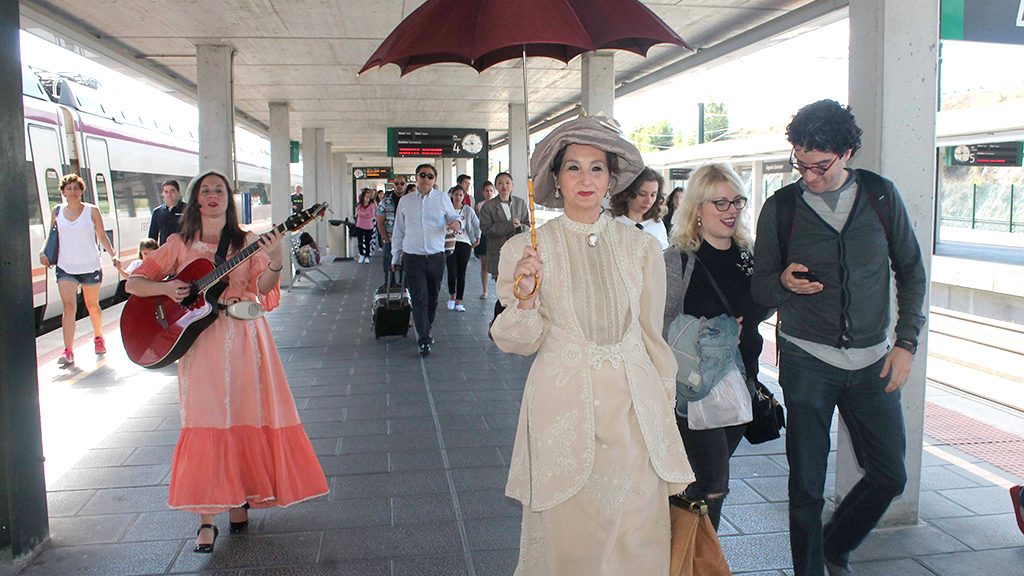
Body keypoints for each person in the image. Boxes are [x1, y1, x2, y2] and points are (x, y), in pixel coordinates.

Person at [491, 115, 693, 575]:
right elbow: (519, 341)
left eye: (597, 168)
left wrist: (664, 403)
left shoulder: (641, 248)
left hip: (634, 410)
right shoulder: (527, 249)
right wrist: (526, 294)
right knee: (572, 536)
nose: (586, 179)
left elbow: (650, 334)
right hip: (563, 410)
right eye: (574, 168)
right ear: (556, 180)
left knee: (637, 533)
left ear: (611, 178)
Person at [751, 100, 926, 576]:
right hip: (807, 359)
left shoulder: (880, 196)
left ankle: (835, 544)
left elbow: (911, 271)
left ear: (847, 153)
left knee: (889, 475)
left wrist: (906, 342)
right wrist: (782, 283)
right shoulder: (781, 208)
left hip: (873, 363)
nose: (809, 176)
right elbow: (760, 287)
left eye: (820, 166)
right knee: (806, 486)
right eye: (800, 164)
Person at [125, 170, 328, 555]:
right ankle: (206, 520)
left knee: (242, 416)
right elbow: (134, 283)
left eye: (220, 189)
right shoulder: (179, 243)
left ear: (229, 199)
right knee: (206, 421)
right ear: (196, 200)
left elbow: (263, 290)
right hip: (200, 344)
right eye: (206, 190)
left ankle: (239, 501)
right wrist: (167, 287)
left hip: (245, 340)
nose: (213, 195)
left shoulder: (247, 241)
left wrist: (275, 261)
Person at [663, 162, 772, 531]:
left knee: (700, 482)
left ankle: (679, 550)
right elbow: (658, 324)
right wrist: (711, 332)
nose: (731, 211)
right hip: (695, 388)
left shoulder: (750, 255)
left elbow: (760, 306)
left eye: (737, 201)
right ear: (697, 208)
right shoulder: (678, 259)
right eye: (720, 203)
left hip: (741, 382)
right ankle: (701, 558)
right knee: (713, 483)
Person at [39, 173, 121, 368]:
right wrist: (43, 251)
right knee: (69, 308)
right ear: (63, 192)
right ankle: (68, 351)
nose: (73, 192)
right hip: (65, 266)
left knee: (92, 305)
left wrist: (113, 255)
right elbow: (51, 235)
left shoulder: (92, 211)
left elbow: (101, 236)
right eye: (69, 188)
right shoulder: (57, 211)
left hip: (89, 265)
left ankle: (98, 337)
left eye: (76, 188)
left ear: (82, 191)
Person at [391, 164, 463, 356]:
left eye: (430, 176)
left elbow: (455, 217)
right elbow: (399, 230)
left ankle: (426, 327)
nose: (426, 179)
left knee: (432, 298)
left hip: (437, 256)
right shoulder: (406, 201)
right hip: (412, 256)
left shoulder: (442, 198)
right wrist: (396, 256)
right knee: (419, 297)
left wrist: (455, 224)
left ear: (435, 180)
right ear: (416, 177)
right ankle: (423, 338)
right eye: (422, 175)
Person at [478, 172, 529, 322]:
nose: (504, 186)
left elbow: (528, 225)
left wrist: (520, 227)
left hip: (518, 254)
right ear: (496, 186)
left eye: (507, 182)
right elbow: (486, 229)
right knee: (504, 291)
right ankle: (498, 322)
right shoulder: (488, 207)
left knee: (518, 290)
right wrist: (508, 225)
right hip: (499, 254)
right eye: (500, 183)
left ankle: (511, 322)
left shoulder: (520, 203)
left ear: (512, 185)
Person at [612, 167, 669, 250]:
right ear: (627, 193)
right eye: (642, 194)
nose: (648, 201)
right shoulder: (611, 221)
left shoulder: (657, 225)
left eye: (653, 195)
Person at [445, 185, 481, 312]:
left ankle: (459, 300)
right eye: (456, 194)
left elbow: (476, 224)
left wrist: (477, 238)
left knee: (461, 273)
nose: (458, 197)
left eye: (461, 195)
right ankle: (451, 296)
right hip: (450, 243)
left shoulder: (468, 210)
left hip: (464, 243)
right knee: (452, 272)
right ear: (452, 195)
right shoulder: (447, 209)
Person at [376, 175, 408, 276]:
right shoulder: (385, 202)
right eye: (397, 183)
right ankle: (389, 283)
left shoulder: (410, 202)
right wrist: (386, 239)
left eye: (402, 184)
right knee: (388, 267)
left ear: (405, 185)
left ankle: (404, 285)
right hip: (390, 239)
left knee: (407, 268)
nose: (399, 186)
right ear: (393, 186)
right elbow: (380, 222)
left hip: (407, 240)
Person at [474, 180, 496, 299]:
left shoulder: (498, 204)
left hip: (495, 236)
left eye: (491, 190)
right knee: (484, 265)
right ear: (483, 192)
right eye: (487, 191)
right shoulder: (479, 206)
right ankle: (485, 290)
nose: (489, 193)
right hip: (484, 236)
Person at [148, 179, 185, 246]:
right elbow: (152, 237)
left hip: (184, 250)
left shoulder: (189, 209)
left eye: (172, 191)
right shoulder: (157, 212)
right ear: (163, 194)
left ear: (179, 192)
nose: (169, 194)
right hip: (165, 250)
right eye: (166, 192)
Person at [354, 189, 377, 263]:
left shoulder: (372, 205)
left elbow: (372, 214)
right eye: (366, 196)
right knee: (360, 241)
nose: (367, 198)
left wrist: (364, 214)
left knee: (368, 241)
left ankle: (367, 256)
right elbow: (359, 213)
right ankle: (361, 254)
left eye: (368, 196)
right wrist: (367, 214)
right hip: (360, 225)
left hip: (369, 226)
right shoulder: (359, 205)